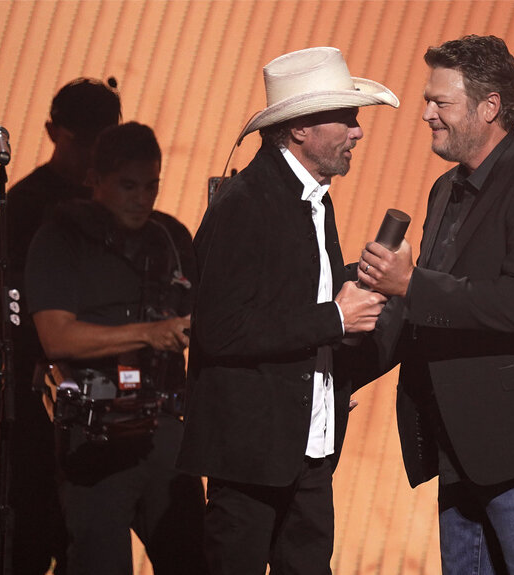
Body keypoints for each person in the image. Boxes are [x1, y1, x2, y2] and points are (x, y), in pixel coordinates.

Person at [358, 35, 514, 574]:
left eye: (439, 102)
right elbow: (425, 311)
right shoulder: (445, 190)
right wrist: (334, 379)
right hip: (460, 448)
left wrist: (412, 285)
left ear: (490, 106)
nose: (425, 114)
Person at [175, 46, 397, 574]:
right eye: (346, 118)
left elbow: (290, 302)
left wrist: (364, 287)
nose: (357, 131)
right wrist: (335, 318)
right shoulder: (245, 203)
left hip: (310, 451)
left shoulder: (315, 200)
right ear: (298, 129)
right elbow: (220, 329)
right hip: (252, 458)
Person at [25, 122, 207, 575]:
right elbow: (56, 335)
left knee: (194, 561)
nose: (142, 198)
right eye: (128, 185)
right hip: (95, 436)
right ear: (96, 179)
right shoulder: (60, 237)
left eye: (152, 186)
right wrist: (149, 332)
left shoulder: (171, 237)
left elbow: (203, 319)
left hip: (166, 432)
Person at [0, 77, 121, 574]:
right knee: (27, 541)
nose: (89, 154)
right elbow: (20, 313)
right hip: (30, 402)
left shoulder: (118, 208)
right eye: (81, 140)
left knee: (90, 546)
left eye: (102, 141)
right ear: (52, 132)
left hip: (97, 404)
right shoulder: (24, 203)